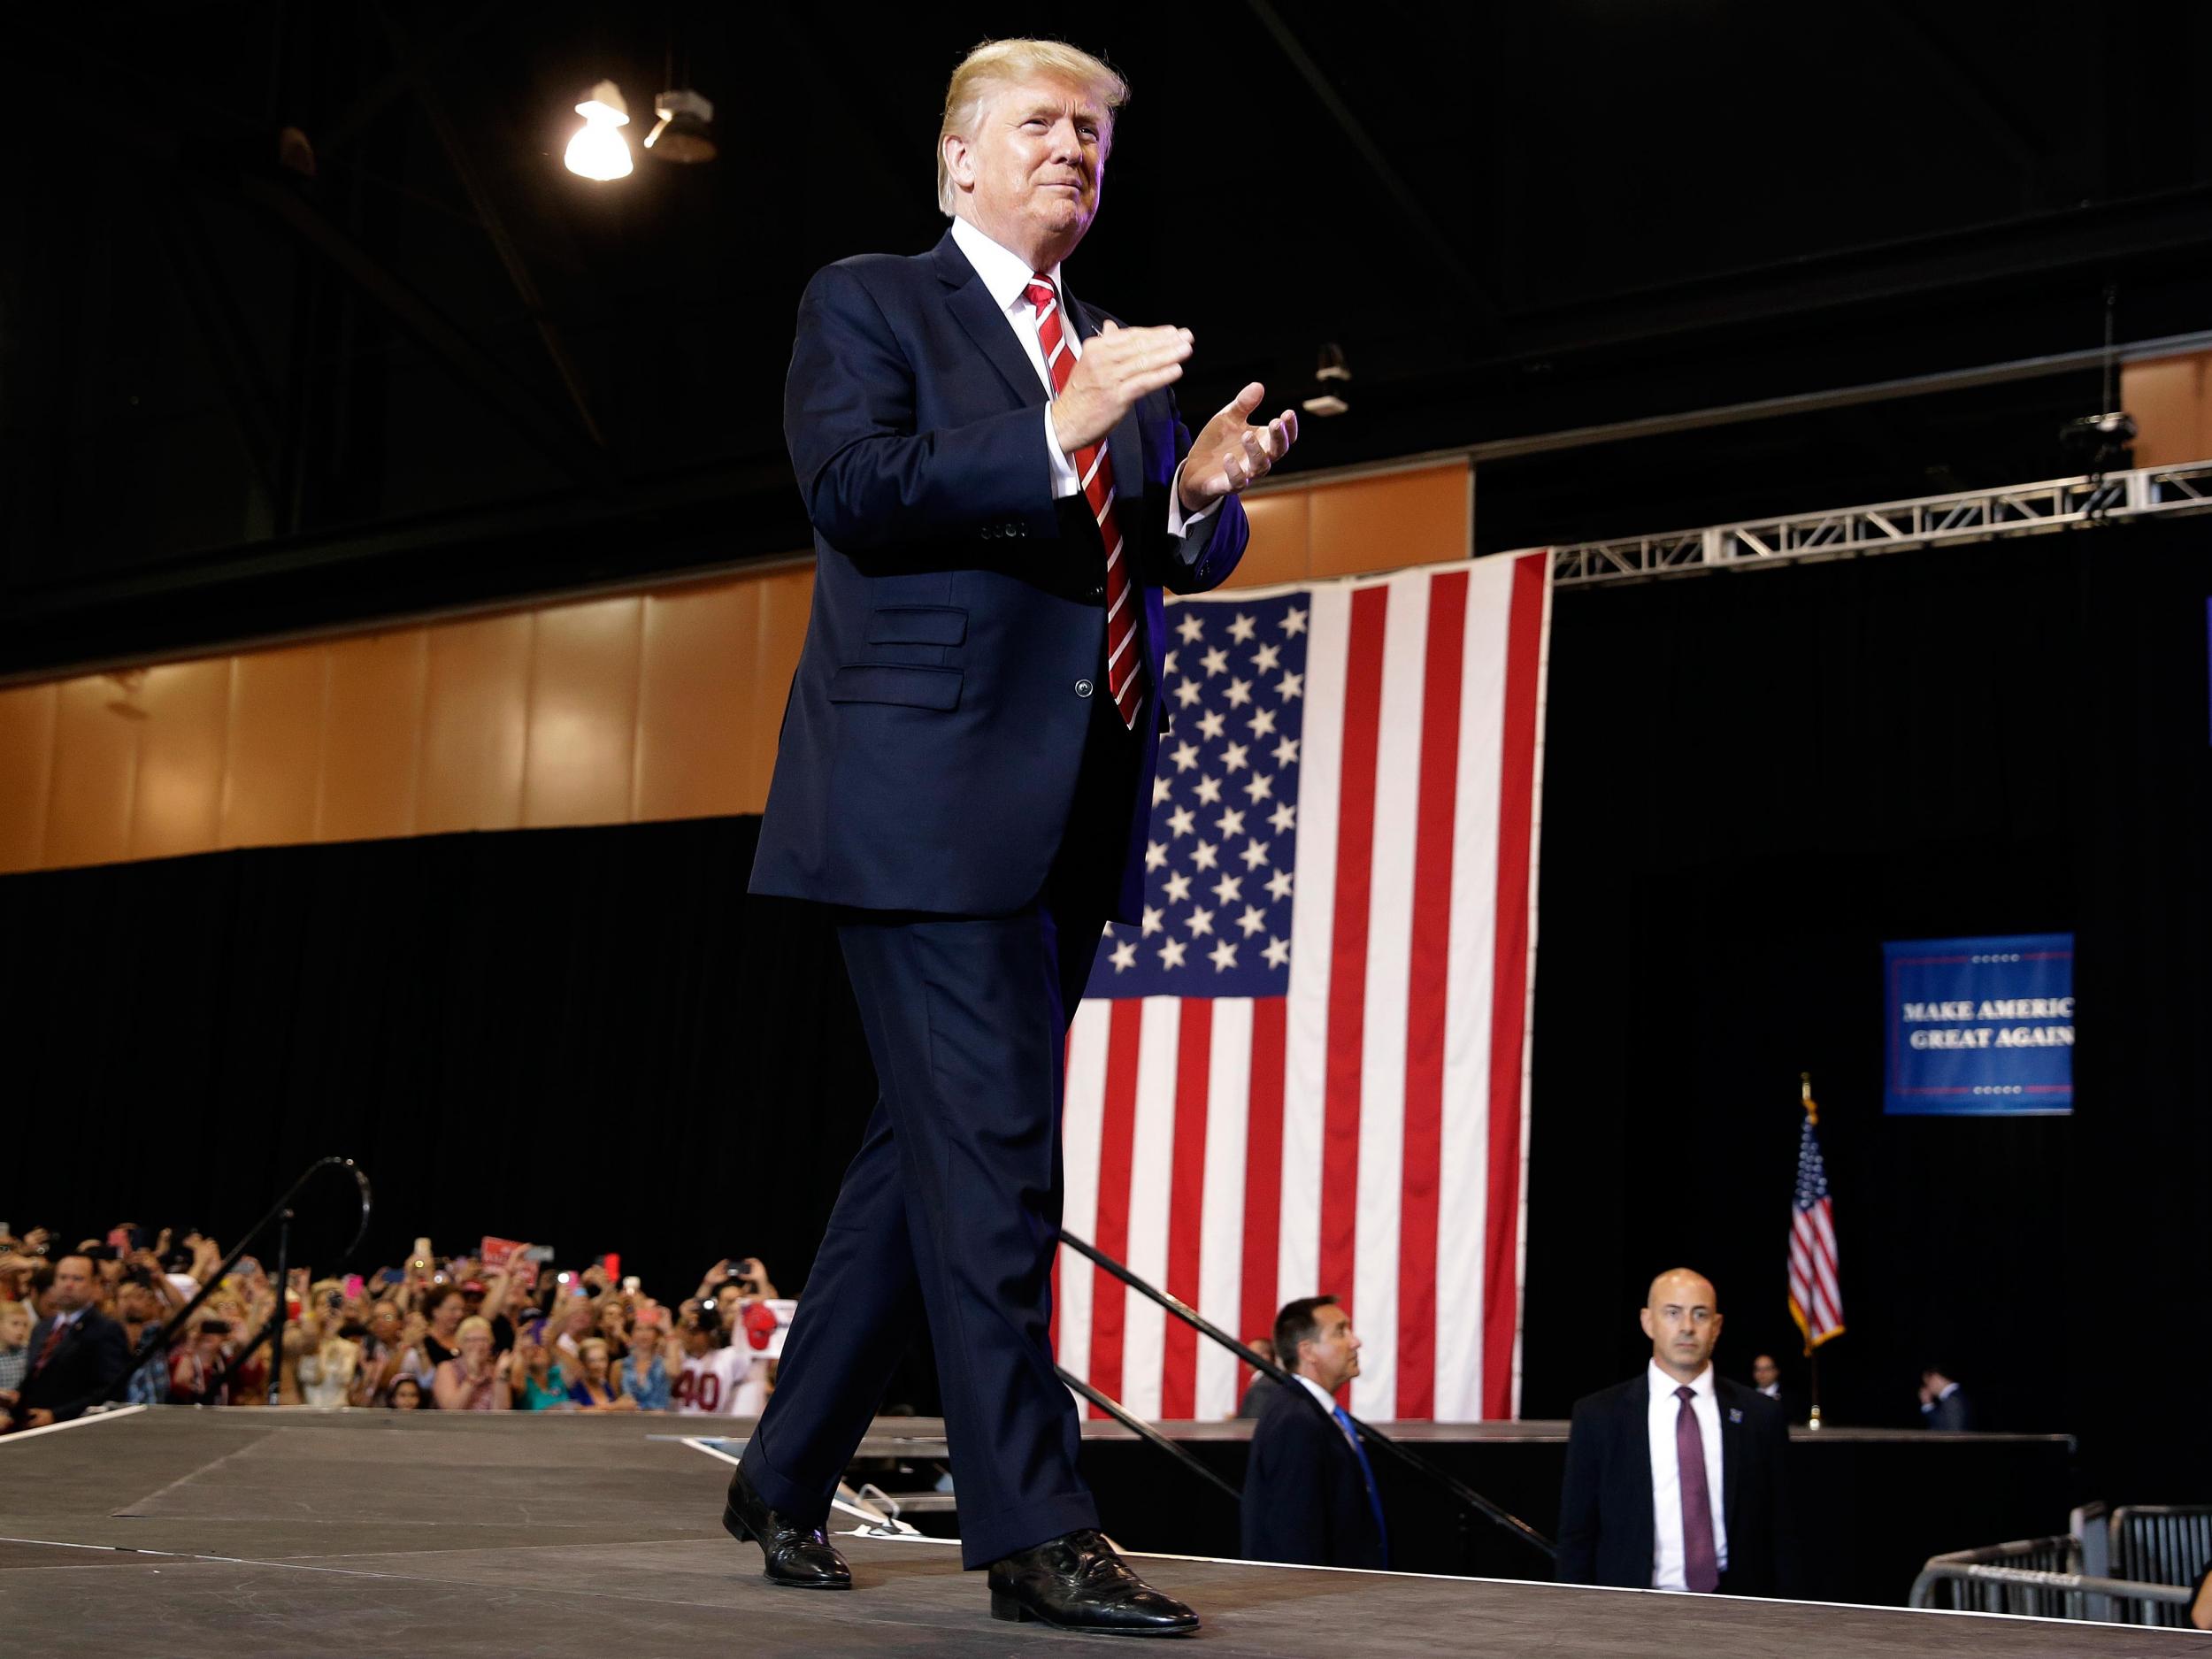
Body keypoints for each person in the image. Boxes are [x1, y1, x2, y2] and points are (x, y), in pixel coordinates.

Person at [728, 36, 1286, 1639]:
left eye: (1096, 135)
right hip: (912, 809)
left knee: (924, 1161)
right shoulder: (873, 301)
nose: (1073, 152)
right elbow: (854, 488)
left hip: (1069, 811)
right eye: (1041, 126)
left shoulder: (1104, 336)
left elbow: (1154, 549)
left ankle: (780, 1474)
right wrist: (1057, 427)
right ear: (960, 157)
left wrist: (1202, 493)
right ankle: (1034, 1533)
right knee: (991, 1166)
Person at [1556, 1268, 1799, 1595]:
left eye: (1700, 1314)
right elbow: (1577, 1535)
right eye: (1673, 1313)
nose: (1687, 1326)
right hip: (1630, 1610)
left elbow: (1783, 1530)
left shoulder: (1761, 1416)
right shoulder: (1598, 1415)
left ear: (1716, 1327)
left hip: (1741, 1612)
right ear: (1647, 1321)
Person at [1240, 1298, 1388, 1570]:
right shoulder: (1296, 1420)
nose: (1355, 1342)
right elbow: (1294, 1535)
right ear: (1307, 1351)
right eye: (1340, 1331)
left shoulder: (1308, 1412)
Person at [7, 1254, 129, 1430]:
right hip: (30, 1428)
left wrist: (57, 1415)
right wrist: (16, 1397)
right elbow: (38, 1376)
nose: (68, 1285)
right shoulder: (43, 1327)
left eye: (77, 1279)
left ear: (94, 1284)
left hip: (73, 1432)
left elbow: (111, 1391)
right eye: (63, 1277)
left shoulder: (105, 1329)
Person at [431, 1316, 511, 1411]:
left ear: (491, 1344)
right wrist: (472, 1377)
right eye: (472, 1340)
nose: (479, 1345)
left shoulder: (494, 1370)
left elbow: (502, 1414)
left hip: (487, 1425)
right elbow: (450, 1411)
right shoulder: (447, 1368)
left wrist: (501, 1377)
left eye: (484, 1339)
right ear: (460, 1343)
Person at [566, 1336, 634, 1412]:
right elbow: (577, 1413)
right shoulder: (574, 1386)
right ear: (582, 1363)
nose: (598, 1366)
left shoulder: (605, 1386)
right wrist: (615, 1406)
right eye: (591, 1361)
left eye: (602, 1360)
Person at [1233, 1337, 1279, 1420]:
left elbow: (1253, 1423)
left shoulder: (1262, 1386)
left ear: (1265, 1357)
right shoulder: (1270, 1380)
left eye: (1250, 1353)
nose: (1245, 1356)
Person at [1918, 1366, 1974, 1431]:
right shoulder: (1955, 1396)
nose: (1927, 1388)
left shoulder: (1953, 1399)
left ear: (1935, 1378)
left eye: (1927, 1383)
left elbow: (1952, 1433)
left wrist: (1927, 1404)